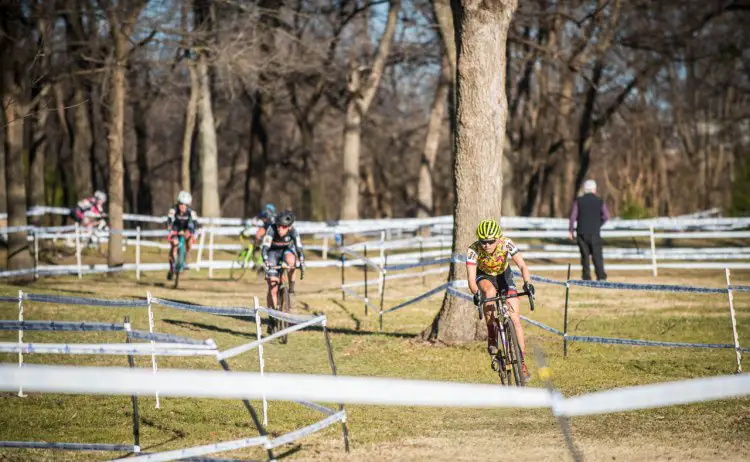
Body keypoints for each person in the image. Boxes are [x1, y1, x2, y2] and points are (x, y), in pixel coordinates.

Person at [466, 218, 534, 383]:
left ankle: (522, 363)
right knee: (489, 292)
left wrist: (528, 284)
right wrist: (475, 292)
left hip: (504, 276)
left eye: (490, 241)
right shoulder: (473, 250)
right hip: (485, 276)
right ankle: (491, 333)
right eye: (483, 241)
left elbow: (523, 266)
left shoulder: (506, 243)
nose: (487, 245)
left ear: (497, 238)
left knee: (515, 319)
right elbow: (471, 277)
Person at [261, 210, 305, 313]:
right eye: (278, 226)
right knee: (273, 287)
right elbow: (265, 248)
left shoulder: (293, 231)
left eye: (284, 227)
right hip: (272, 253)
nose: (280, 229)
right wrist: (266, 260)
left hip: (286, 251)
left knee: (291, 261)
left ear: (289, 227)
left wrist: (302, 261)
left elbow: (299, 248)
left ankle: (291, 291)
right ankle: (272, 315)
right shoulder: (271, 229)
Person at [568, 179, 609, 281]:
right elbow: (606, 216)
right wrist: (598, 224)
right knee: (597, 256)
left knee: (585, 256)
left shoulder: (579, 201)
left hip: (581, 232)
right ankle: (601, 276)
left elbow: (573, 217)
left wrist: (571, 231)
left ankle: (586, 277)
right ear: (594, 189)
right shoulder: (599, 201)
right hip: (595, 232)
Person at [166, 191, 200, 280]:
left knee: (189, 240)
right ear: (178, 203)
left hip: (186, 229)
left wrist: (193, 233)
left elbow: (196, 224)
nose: (183, 206)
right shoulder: (173, 210)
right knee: (175, 244)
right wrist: (170, 230)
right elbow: (169, 221)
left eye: (185, 205)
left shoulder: (191, 212)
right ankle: (172, 267)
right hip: (175, 229)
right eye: (181, 204)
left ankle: (186, 258)